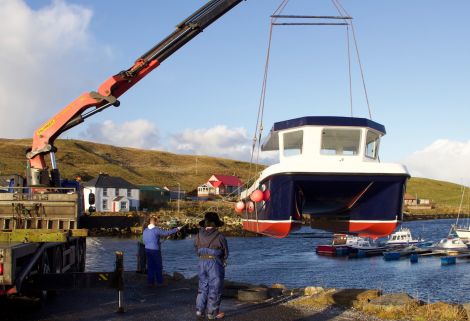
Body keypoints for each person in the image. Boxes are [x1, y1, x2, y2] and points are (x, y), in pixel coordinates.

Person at [194, 212, 228, 320]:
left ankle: (199, 311)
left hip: (201, 262)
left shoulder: (198, 234)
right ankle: (212, 313)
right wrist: (222, 260)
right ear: (215, 224)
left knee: (202, 287)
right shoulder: (220, 236)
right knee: (215, 287)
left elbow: (196, 249)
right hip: (214, 263)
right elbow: (226, 252)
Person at [142, 217, 183, 286]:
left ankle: (150, 282)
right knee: (158, 266)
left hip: (147, 250)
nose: (157, 223)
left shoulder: (145, 230)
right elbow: (167, 233)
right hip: (155, 250)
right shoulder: (156, 229)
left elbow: (145, 240)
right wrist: (177, 229)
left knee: (150, 266)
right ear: (154, 222)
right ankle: (159, 282)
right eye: (157, 222)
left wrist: (155, 242)